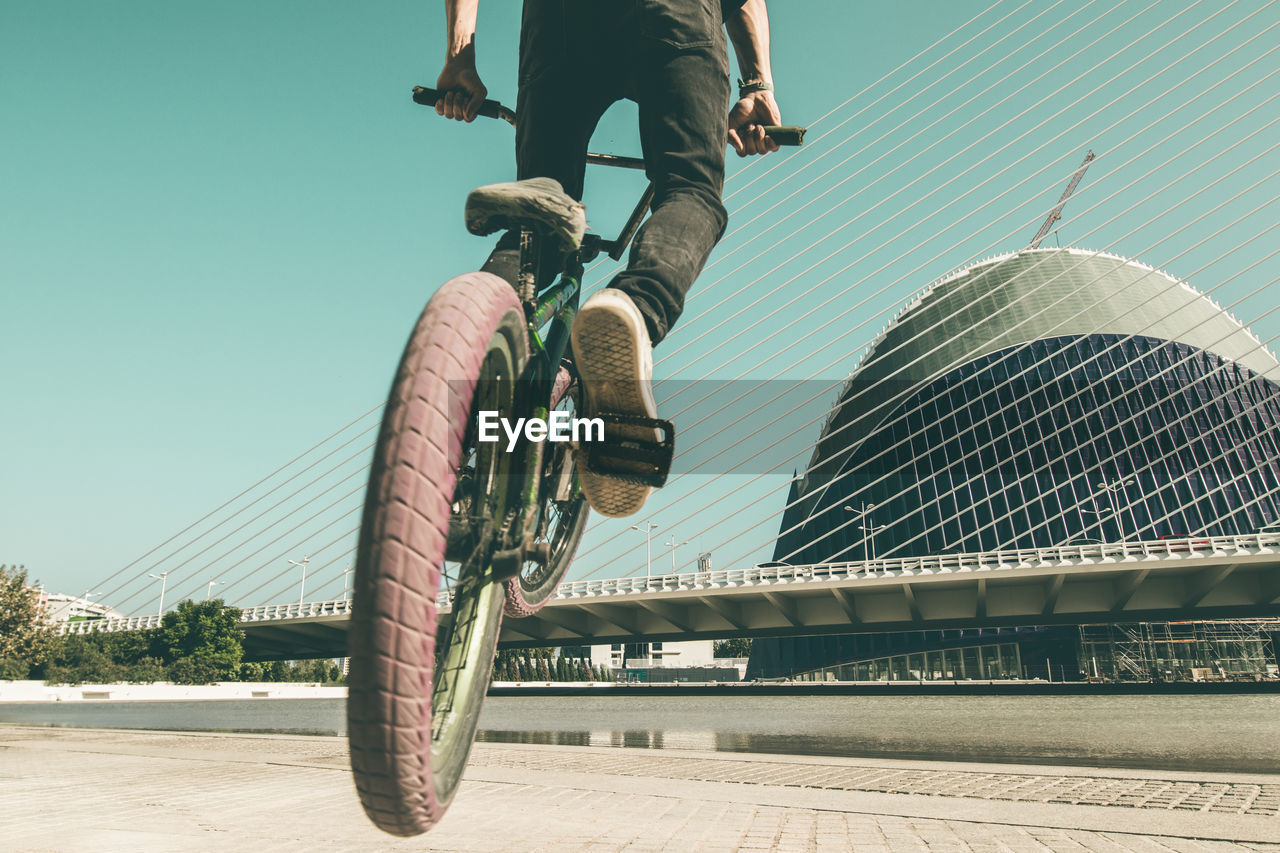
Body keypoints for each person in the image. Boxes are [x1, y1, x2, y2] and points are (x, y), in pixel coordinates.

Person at [436, 0, 783, 517]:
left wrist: (460, 56)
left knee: (541, 214)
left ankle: (468, 357)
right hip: (675, 16)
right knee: (689, 188)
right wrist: (758, 85)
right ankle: (632, 308)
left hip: (559, 25)